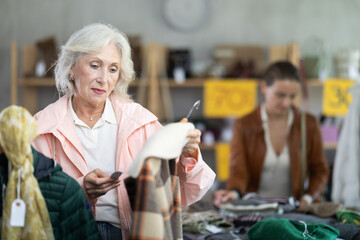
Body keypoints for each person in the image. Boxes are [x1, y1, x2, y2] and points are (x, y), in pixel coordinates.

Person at [32, 23, 216, 240]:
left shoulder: (140, 123)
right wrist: (80, 188)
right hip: (68, 232)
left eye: (112, 69)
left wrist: (188, 155)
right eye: (94, 65)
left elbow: (186, 192)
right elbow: (29, 199)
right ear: (72, 68)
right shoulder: (42, 128)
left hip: (127, 234)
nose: (104, 78)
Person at [213, 61, 329, 208]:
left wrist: (308, 198)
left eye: (292, 96)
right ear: (263, 87)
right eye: (280, 95)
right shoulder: (244, 125)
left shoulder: (309, 124)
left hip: (294, 209)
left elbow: (320, 170)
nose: (286, 103)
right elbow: (238, 171)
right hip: (255, 208)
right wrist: (233, 193)